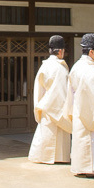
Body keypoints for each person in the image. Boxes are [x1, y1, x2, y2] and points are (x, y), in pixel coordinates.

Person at [69, 33, 94, 177]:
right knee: (93, 140)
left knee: (82, 139)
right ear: (91, 52)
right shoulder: (91, 70)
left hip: (79, 109)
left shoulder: (76, 67)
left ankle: (81, 167)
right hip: (91, 111)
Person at [28, 35, 72, 164]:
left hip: (46, 106)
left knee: (45, 135)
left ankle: (42, 157)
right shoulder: (60, 68)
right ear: (60, 51)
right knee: (58, 137)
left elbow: (39, 90)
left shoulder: (44, 66)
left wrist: (39, 105)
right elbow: (62, 91)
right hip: (57, 107)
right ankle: (59, 157)